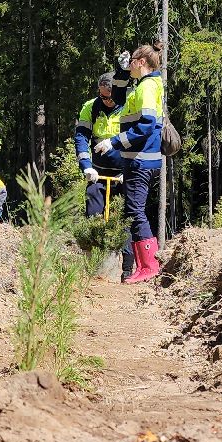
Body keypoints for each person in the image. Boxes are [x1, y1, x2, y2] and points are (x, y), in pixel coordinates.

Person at [92, 42, 165, 284]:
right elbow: (120, 97)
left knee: (135, 211)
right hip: (138, 159)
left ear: (141, 62)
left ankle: (149, 266)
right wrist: (122, 72)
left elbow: (146, 125)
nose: (130, 64)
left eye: (132, 62)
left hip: (140, 160)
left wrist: (114, 142)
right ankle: (143, 266)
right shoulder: (145, 85)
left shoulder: (147, 87)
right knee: (132, 211)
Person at [73, 71, 124, 218]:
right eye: (103, 97)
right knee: (93, 213)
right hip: (98, 172)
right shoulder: (90, 107)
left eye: (110, 97)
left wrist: (130, 170)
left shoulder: (129, 107)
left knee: (125, 219)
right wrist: (86, 166)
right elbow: (81, 137)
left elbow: (138, 138)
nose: (107, 101)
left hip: (123, 172)